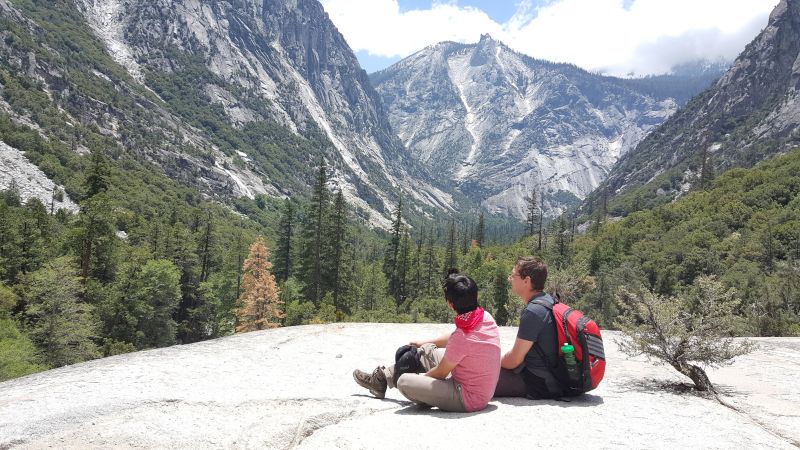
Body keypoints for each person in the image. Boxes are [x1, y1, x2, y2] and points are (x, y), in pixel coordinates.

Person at [352, 271, 501, 412]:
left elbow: (441, 372)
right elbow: (455, 339)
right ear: (476, 296)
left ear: (450, 304)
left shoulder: (462, 336)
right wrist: (422, 344)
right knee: (426, 351)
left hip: (466, 397)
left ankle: (419, 391)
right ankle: (382, 378)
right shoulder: (484, 317)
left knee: (404, 382)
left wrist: (419, 380)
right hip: (478, 386)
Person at [494, 256, 563, 399]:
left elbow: (514, 360)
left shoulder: (534, 311)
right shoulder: (549, 301)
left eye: (513, 275)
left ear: (527, 281)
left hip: (539, 383)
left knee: (473, 377)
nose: (510, 279)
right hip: (550, 377)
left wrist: (493, 362)